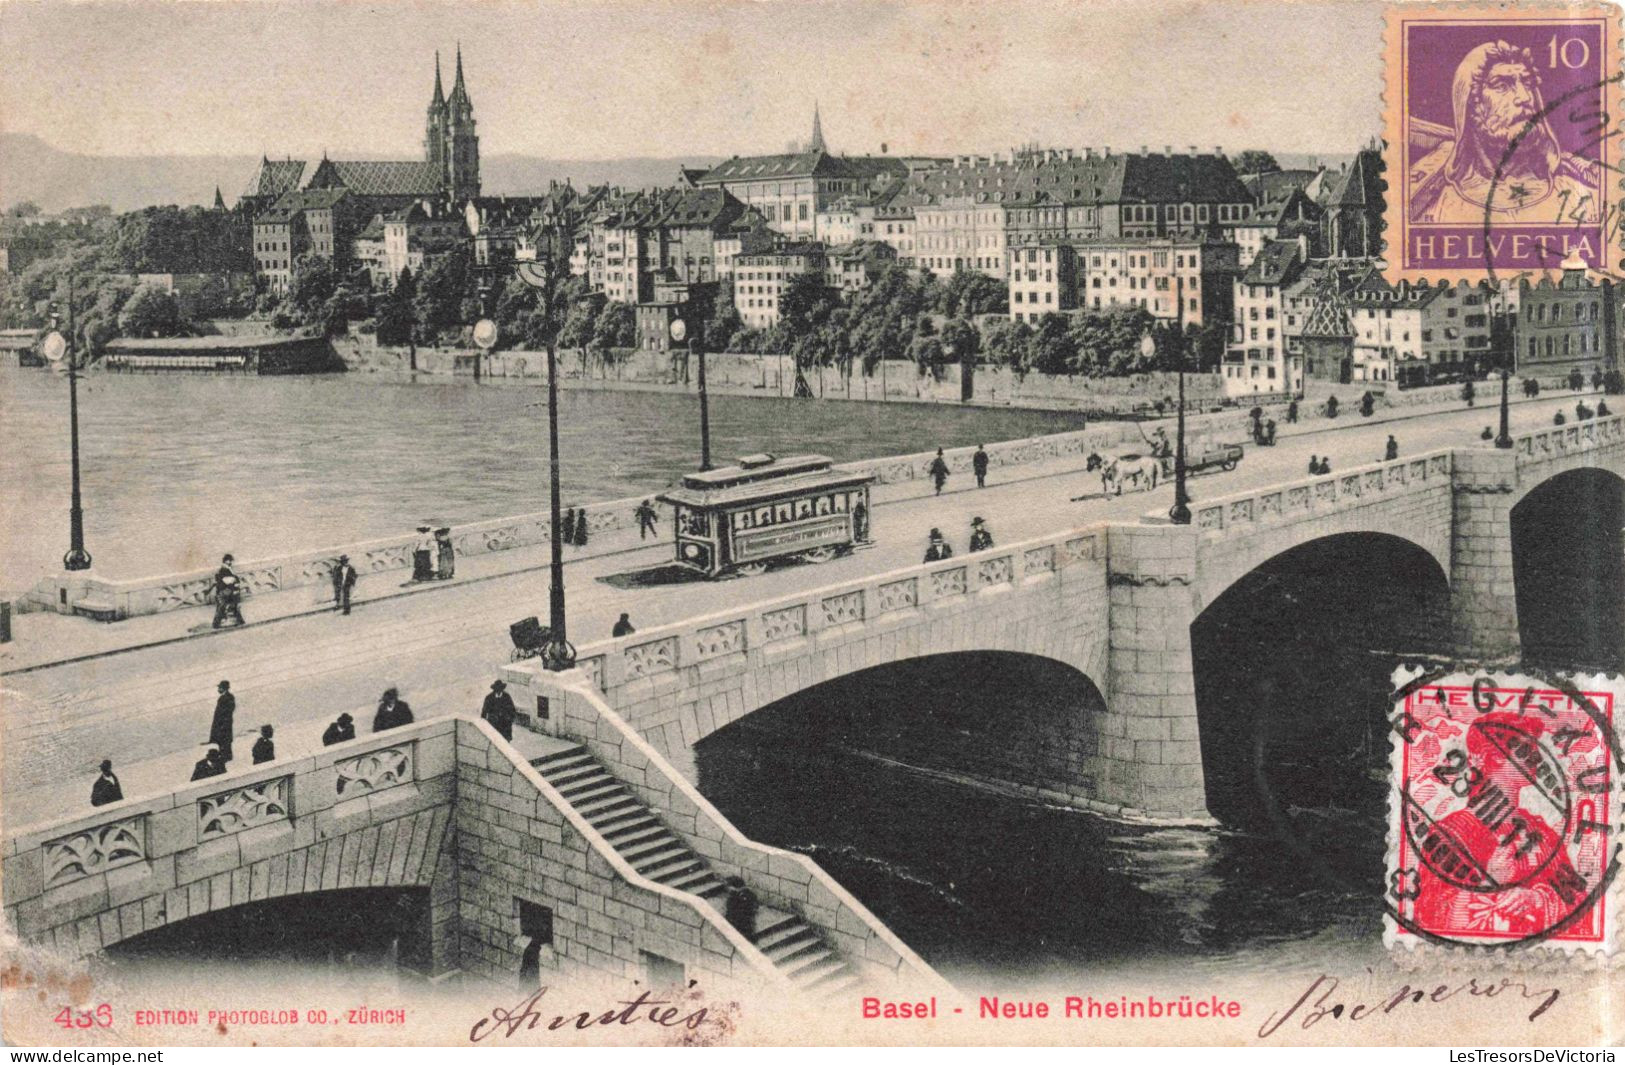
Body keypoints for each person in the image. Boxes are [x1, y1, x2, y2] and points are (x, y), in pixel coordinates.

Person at [1410, 40, 1601, 224]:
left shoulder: (1582, 195)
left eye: (1526, 84)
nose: (1525, 97)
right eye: (1502, 85)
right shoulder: (1430, 203)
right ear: (1470, 104)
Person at [212, 554, 244, 629]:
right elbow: (227, 581)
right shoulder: (224, 570)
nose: (230, 562)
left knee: (228, 607)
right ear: (226, 561)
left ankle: (239, 621)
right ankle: (217, 623)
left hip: (228, 591)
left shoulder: (226, 569)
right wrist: (234, 580)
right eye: (229, 560)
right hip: (226, 592)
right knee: (223, 607)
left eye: (230, 561)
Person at [209, 680, 236, 763]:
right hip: (225, 724)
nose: (218, 689)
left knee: (224, 741)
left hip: (223, 725)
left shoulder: (225, 698)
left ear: (223, 688)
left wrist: (220, 724)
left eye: (219, 688)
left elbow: (224, 712)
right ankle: (226, 756)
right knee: (224, 741)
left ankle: (225, 757)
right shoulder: (228, 697)